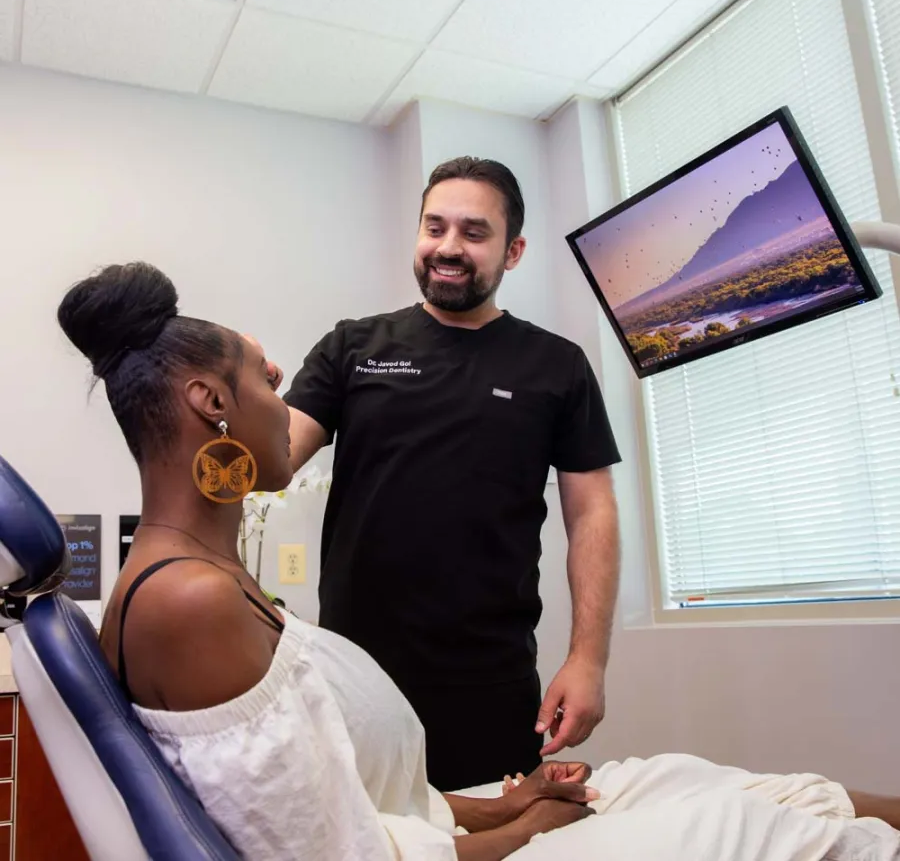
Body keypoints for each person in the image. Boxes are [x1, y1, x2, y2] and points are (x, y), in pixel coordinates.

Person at [56, 262, 900, 861]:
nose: (285, 407)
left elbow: (351, 807)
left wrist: (510, 801)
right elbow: (340, 853)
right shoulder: (190, 604)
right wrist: (523, 831)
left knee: (690, 778)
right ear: (211, 403)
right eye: (264, 384)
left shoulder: (206, 582)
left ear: (510, 249)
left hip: (455, 781)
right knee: (785, 830)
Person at [281, 157, 622, 790]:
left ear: (513, 250)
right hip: (357, 673)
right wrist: (229, 392)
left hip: (488, 679)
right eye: (434, 227)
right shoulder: (353, 347)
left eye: (473, 232)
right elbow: (272, 463)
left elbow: (592, 511)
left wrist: (588, 659)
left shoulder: (557, 365)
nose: (448, 247)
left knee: (497, 839)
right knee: (370, 841)